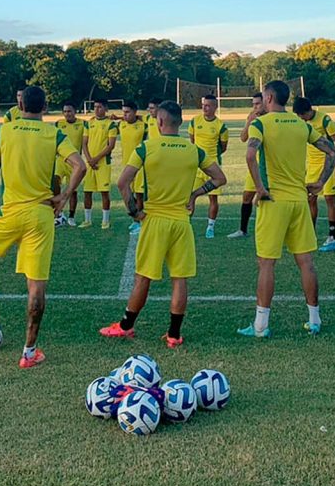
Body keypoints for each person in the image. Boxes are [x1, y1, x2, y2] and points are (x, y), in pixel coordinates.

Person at [0, 86, 86, 369]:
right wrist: (65, 196)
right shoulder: (54, 134)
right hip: (41, 215)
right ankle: (29, 351)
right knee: (35, 286)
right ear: (45, 107)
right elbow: (79, 166)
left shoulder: (4, 131)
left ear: (20, 104)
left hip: (11, 211)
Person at [99, 101, 226, 347]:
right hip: (181, 222)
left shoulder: (146, 148)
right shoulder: (194, 150)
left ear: (159, 122)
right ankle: (174, 335)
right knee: (179, 280)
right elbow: (220, 178)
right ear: (180, 123)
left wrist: (134, 211)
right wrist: (195, 194)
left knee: (143, 278)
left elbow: (123, 183)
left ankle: (125, 326)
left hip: (155, 220)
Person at [238, 80, 335, 338]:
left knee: (266, 264)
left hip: (274, 203)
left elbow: (250, 154)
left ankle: (260, 326)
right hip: (299, 202)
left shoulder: (260, 124)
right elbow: (333, 152)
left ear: (269, 97)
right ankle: (314, 320)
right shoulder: (302, 125)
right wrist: (320, 182)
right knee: (306, 262)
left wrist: (259, 188)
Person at [293, 97, 335, 249]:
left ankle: (331, 236)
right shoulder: (302, 122)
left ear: (309, 111)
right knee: (310, 198)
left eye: (302, 115)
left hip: (327, 163)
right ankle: (311, 234)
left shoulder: (324, 119)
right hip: (312, 165)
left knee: (329, 198)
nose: (300, 118)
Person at [188, 94, 229, 239]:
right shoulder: (194, 121)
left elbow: (223, 147)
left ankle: (210, 227)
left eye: (208, 105)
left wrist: (211, 159)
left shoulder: (221, 126)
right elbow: (192, 142)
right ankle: (186, 225)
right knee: (189, 196)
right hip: (196, 166)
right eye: (203, 105)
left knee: (213, 198)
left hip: (213, 167)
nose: (204, 108)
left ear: (215, 107)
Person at [228, 92, 265, 239]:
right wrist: (249, 121)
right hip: (254, 165)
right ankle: (242, 230)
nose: (255, 107)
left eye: (257, 103)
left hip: (269, 166)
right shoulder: (252, 116)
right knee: (247, 196)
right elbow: (243, 138)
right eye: (253, 104)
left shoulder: (270, 118)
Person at [80, 98, 118, 229]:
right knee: (87, 192)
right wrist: (89, 159)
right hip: (90, 163)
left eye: (100, 107)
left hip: (103, 163)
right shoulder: (88, 124)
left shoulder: (111, 125)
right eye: (95, 107)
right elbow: (84, 143)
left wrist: (96, 159)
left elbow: (110, 146)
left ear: (106, 109)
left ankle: (105, 220)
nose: (97, 109)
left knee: (104, 192)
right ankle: (87, 220)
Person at [116, 101, 148, 234]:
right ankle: (136, 218)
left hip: (140, 166)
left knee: (139, 195)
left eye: (128, 112)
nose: (125, 115)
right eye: (123, 112)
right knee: (127, 192)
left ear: (135, 112)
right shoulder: (120, 124)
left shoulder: (143, 126)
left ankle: (139, 222)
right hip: (126, 165)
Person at [54, 102, 86, 226]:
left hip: (74, 163)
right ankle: (59, 213)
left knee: (73, 190)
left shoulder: (83, 124)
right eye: (65, 111)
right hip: (61, 160)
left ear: (75, 112)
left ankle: (71, 216)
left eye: (69, 111)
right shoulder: (59, 124)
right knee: (55, 182)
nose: (67, 114)